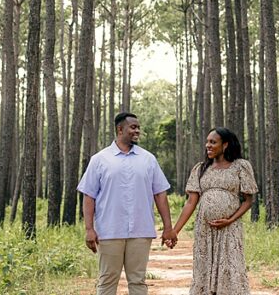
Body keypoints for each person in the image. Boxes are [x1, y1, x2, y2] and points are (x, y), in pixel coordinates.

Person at [78, 111, 177, 295]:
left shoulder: (148, 159)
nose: (137, 131)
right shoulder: (100, 160)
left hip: (141, 230)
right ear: (120, 129)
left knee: (138, 281)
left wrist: (168, 227)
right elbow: (89, 196)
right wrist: (89, 229)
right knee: (107, 280)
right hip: (109, 231)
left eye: (138, 127)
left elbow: (160, 195)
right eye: (133, 127)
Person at [172, 127, 257, 295]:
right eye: (207, 142)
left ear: (225, 145)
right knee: (204, 267)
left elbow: (248, 201)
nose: (208, 146)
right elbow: (191, 202)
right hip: (205, 229)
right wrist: (175, 230)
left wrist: (230, 220)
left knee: (230, 265)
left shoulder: (241, 166)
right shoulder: (200, 168)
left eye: (213, 142)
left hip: (229, 228)